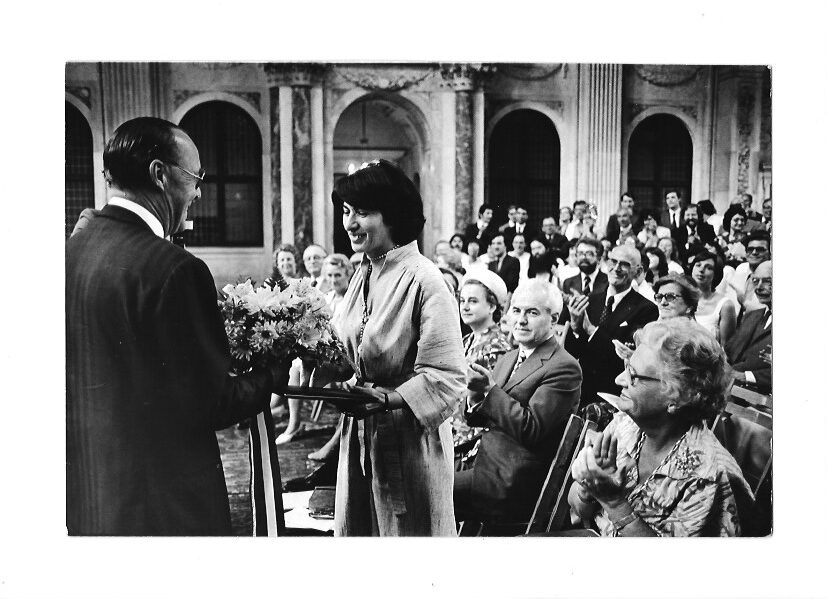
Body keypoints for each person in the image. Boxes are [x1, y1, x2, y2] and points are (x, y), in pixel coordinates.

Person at [66, 117, 290, 535]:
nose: (199, 192)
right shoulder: (175, 269)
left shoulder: (71, 251)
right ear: (160, 175)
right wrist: (274, 371)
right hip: (164, 504)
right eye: (195, 178)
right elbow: (214, 403)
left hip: (87, 498)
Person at [324, 159, 466, 536]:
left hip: (410, 444)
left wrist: (388, 400)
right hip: (361, 436)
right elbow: (351, 351)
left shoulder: (426, 280)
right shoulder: (364, 272)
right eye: (346, 211)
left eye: (363, 212)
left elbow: (448, 377)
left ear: (393, 215)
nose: (350, 223)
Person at [568, 319, 753, 536]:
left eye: (633, 375)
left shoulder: (710, 477)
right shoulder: (626, 424)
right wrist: (589, 487)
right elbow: (578, 508)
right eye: (626, 368)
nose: (619, 380)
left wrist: (614, 502)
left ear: (678, 395)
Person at [455, 280, 582, 524]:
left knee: (429, 492)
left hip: (513, 480)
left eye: (532, 313)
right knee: (419, 480)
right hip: (484, 463)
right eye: (516, 310)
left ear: (554, 319)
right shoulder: (510, 357)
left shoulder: (564, 367)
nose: (521, 320)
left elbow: (531, 429)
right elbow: (479, 418)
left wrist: (490, 391)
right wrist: (474, 396)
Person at [566, 245, 659, 404]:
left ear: (637, 272)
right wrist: (575, 327)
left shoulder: (646, 309)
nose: (616, 268)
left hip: (613, 395)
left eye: (624, 264)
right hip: (582, 391)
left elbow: (624, 359)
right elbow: (572, 353)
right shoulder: (591, 299)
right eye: (613, 261)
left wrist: (591, 330)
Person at [452, 271, 513, 448]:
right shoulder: (467, 339)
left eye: (473, 301)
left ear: (492, 306)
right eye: (462, 301)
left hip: (474, 437)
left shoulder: (497, 347)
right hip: (454, 426)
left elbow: (489, 404)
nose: (465, 307)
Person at [307, 253, 357, 463]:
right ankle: (296, 421)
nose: (334, 280)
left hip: (351, 358)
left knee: (346, 389)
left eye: (338, 275)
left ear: (348, 274)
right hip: (332, 353)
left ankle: (337, 442)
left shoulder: (353, 299)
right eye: (330, 276)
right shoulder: (327, 299)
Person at [725, 260, 772, 393]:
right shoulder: (752, 316)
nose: (759, 287)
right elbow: (729, 351)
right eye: (755, 281)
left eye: (767, 281)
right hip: (730, 389)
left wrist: (746, 376)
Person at [689, 250, 737, 344]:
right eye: (698, 265)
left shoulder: (725, 305)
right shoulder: (681, 298)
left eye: (709, 268)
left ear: (716, 274)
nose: (701, 270)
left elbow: (726, 346)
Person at [725, 230, 771, 315]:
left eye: (760, 250)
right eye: (750, 249)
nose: (754, 252)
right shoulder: (740, 271)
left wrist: (744, 303)